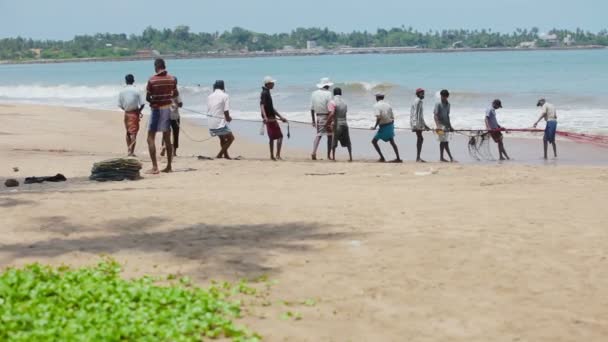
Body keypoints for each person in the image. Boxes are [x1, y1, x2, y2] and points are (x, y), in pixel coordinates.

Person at [145, 58, 178, 174]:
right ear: (164, 66)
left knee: (150, 138)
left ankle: (155, 167)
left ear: (156, 67)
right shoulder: (172, 79)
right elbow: (176, 93)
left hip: (156, 110)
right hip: (167, 109)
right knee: (167, 139)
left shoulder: (152, 80)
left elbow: (148, 98)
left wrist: (154, 98)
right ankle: (169, 166)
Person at [260, 76, 288, 161]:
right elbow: (262, 106)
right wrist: (265, 117)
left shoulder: (266, 92)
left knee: (272, 138)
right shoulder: (265, 93)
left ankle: (272, 156)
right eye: (272, 83)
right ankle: (277, 155)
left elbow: (271, 108)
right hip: (270, 118)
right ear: (268, 84)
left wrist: (280, 117)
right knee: (280, 136)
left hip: (271, 118)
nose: (273, 84)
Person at [117, 74, 144, 157]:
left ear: (126, 81)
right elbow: (142, 104)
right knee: (134, 133)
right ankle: (131, 152)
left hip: (126, 113)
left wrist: (126, 109)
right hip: (134, 113)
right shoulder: (137, 90)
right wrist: (139, 111)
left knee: (128, 132)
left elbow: (120, 105)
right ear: (133, 80)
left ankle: (129, 150)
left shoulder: (122, 91)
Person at [207, 80, 235, 159]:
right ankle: (220, 155)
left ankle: (226, 155)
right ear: (223, 87)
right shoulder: (225, 96)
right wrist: (228, 118)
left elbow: (210, 110)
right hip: (219, 124)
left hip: (210, 123)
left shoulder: (209, 96)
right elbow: (226, 110)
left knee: (222, 138)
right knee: (231, 138)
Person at [371, 93, 402, 163]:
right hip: (390, 125)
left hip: (383, 127)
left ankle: (382, 158)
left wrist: (374, 127)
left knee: (374, 141)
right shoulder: (388, 105)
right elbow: (392, 118)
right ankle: (398, 158)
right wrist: (391, 126)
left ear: (377, 98)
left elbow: (378, 117)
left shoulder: (376, 106)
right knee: (392, 142)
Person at [310, 77, 334, 160]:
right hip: (327, 116)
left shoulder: (314, 93)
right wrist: (332, 119)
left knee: (319, 135)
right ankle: (328, 155)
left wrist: (313, 120)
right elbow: (330, 107)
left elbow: (312, 108)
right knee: (330, 136)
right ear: (327, 85)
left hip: (318, 116)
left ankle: (314, 152)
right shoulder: (329, 94)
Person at [328, 87, 352, 161]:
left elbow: (332, 114)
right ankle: (350, 157)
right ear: (341, 93)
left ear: (333, 93)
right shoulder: (345, 102)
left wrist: (328, 122)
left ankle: (334, 157)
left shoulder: (332, 102)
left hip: (337, 123)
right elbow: (345, 112)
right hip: (345, 123)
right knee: (348, 141)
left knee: (334, 140)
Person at [161, 78, 183, 157]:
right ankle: (174, 151)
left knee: (165, 133)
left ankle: (163, 146)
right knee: (175, 133)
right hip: (175, 116)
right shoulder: (176, 92)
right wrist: (177, 104)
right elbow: (180, 104)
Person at [434, 89, 456, 162]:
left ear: (447, 97)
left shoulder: (448, 104)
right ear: (441, 96)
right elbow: (435, 115)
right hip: (440, 126)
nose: (444, 98)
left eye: (445, 96)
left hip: (446, 126)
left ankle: (442, 158)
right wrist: (438, 126)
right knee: (444, 142)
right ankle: (450, 158)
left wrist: (450, 126)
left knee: (444, 141)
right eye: (443, 96)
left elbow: (447, 116)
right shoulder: (438, 104)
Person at [410, 88, 431, 162]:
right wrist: (415, 125)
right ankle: (418, 158)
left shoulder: (419, 101)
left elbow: (420, 115)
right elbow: (415, 114)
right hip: (416, 123)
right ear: (418, 94)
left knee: (420, 138)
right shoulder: (417, 101)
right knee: (420, 138)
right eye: (422, 93)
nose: (423, 95)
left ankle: (418, 157)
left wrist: (425, 125)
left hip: (418, 123)